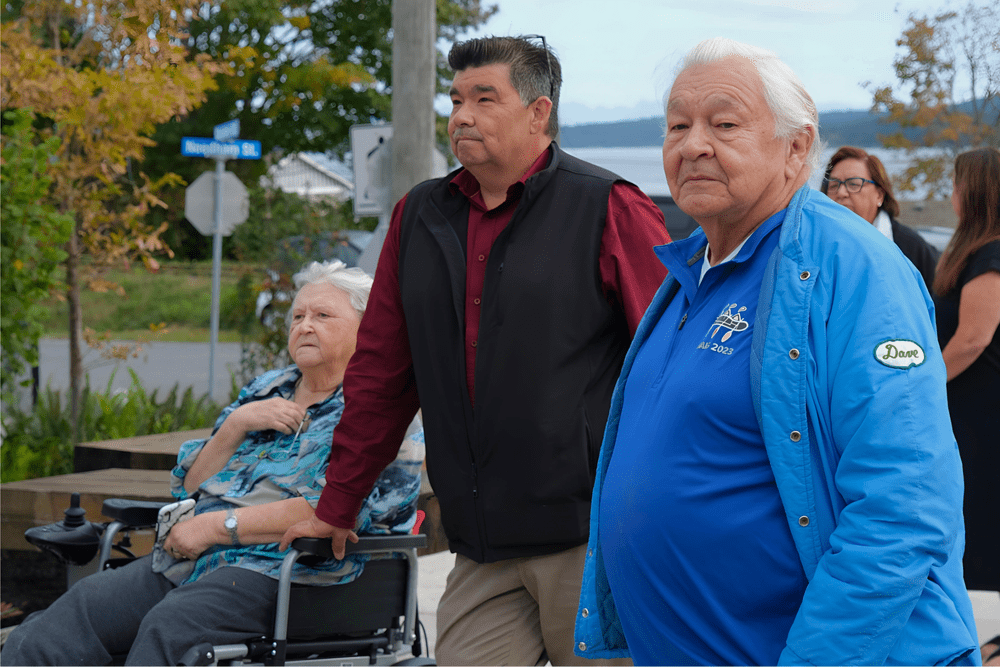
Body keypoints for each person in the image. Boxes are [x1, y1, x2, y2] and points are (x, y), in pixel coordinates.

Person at [574, 37, 979, 666]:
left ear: (796, 148)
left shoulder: (854, 269)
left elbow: (904, 508)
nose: (693, 144)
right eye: (677, 125)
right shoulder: (695, 270)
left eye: (724, 123)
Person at [279, 35, 670, 666]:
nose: (460, 115)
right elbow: (382, 376)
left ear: (538, 113)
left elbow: (666, 371)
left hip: (591, 542)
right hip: (480, 543)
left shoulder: (609, 206)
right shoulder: (419, 216)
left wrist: (661, 511)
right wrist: (337, 505)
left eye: (484, 99)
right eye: (456, 98)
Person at [1, 261, 424, 666]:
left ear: (368, 328)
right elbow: (191, 488)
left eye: (322, 315)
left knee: (171, 629)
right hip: (200, 559)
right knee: (73, 615)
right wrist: (237, 424)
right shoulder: (269, 388)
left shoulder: (384, 409)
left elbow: (335, 508)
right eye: (297, 316)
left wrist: (213, 527)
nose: (304, 326)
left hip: (299, 571)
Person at [933, 147, 1000, 596]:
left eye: (956, 185)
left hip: (983, 410)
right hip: (968, 406)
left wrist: (918, 386)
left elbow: (974, 338)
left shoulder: (990, 255)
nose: (952, 194)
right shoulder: (974, 251)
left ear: (973, 193)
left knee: (980, 513)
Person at [821, 145, 940, 288]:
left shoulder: (911, 248)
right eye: (834, 185)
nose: (841, 193)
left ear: (879, 195)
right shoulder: (817, 244)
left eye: (853, 184)